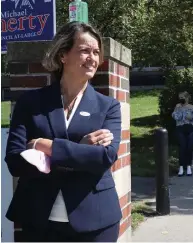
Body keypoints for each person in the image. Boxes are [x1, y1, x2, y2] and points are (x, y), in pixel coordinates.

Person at [5, 21, 122, 242]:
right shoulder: (31, 103)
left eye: (96, 52)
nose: (93, 58)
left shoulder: (108, 107)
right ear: (63, 55)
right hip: (39, 220)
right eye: (84, 50)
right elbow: (14, 161)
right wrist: (80, 151)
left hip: (95, 221)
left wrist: (43, 146)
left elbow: (105, 157)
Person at [172, 91, 193, 176]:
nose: (181, 99)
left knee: (189, 148)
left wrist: (191, 118)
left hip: (190, 129)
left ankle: (188, 166)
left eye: (183, 97)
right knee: (182, 147)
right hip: (181, 128)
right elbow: (176, 117)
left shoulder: (192, 108)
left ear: (187, 98)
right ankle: (181, 167)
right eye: (180, 98)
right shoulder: (178, 107)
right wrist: (177, 110)